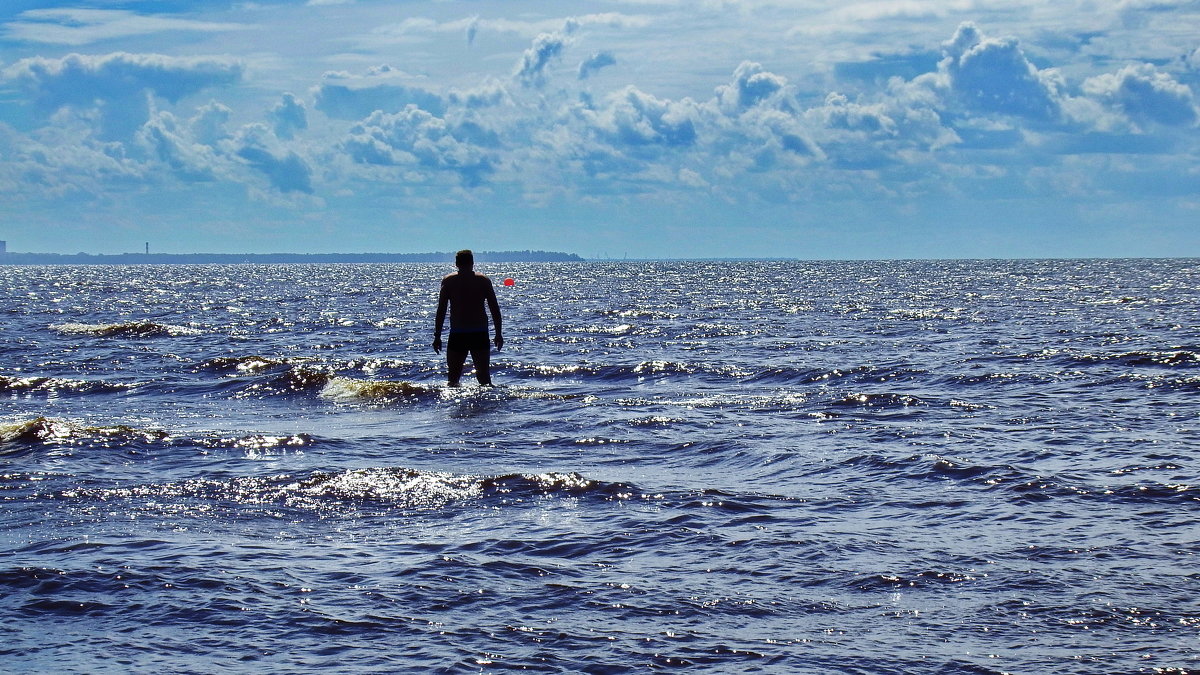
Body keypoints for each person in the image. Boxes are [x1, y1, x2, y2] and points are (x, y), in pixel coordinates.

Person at [433, 249, 504, 386]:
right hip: (479, 332)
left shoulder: (449, 281)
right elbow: (494, 309)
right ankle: (488, 405)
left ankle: (452, 404)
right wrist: (498, 333)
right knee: (484, 378)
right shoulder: (483, 280)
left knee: (453, 379)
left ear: (456, 264)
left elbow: (441, 310)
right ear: (472, 263)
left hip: (458, 333)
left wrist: (437, 336)